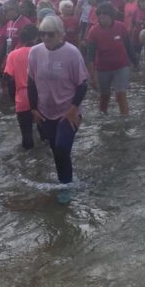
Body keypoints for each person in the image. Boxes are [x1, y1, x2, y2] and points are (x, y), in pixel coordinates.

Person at [28, 15, 89, 184]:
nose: (46, 37)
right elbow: (31, 82)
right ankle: (65, 181)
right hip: (45, 111)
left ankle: (67, 187)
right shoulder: (35, 52)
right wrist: (33, 109)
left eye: (50, 34)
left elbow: (83, 85)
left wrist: (72, 110)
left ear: (61, 34)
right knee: (56, 149)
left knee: (62, 148)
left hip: (68, 111)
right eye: (42, 33)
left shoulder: (72, 53)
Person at [85, 2, 132, 115]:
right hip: (103, 68)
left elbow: (129, 46)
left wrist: (135, 62)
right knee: (104, 96)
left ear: (111, 15)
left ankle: (125, 120)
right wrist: (92, 75)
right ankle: (102, 119)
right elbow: (90, 56)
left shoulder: (121, 27)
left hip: (121, 66)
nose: (102, 16)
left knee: (120, 94)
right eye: (100, 14)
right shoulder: (93, 31)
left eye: (105, 13)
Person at [4, 24, 41, 149]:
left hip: (22, 98)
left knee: (26, 136)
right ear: (36, 37)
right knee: (45, 135)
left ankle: (26, 160)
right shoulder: (42, 52)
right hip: (41, 96)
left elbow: (7, 78)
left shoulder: (13, 55)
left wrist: (13, 98)